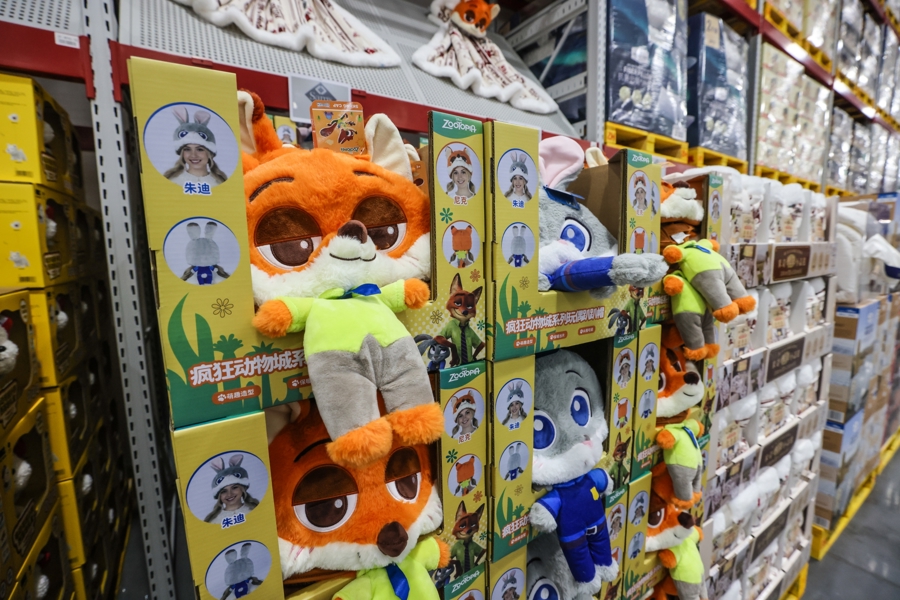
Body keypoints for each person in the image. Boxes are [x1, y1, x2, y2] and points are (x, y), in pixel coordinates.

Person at [164, 106, 228, 188]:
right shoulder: (172, 181)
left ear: (209, 153)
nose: (193, 155)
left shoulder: (221, 183)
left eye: (200, 149)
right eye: (187, 149)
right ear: (182, 153)